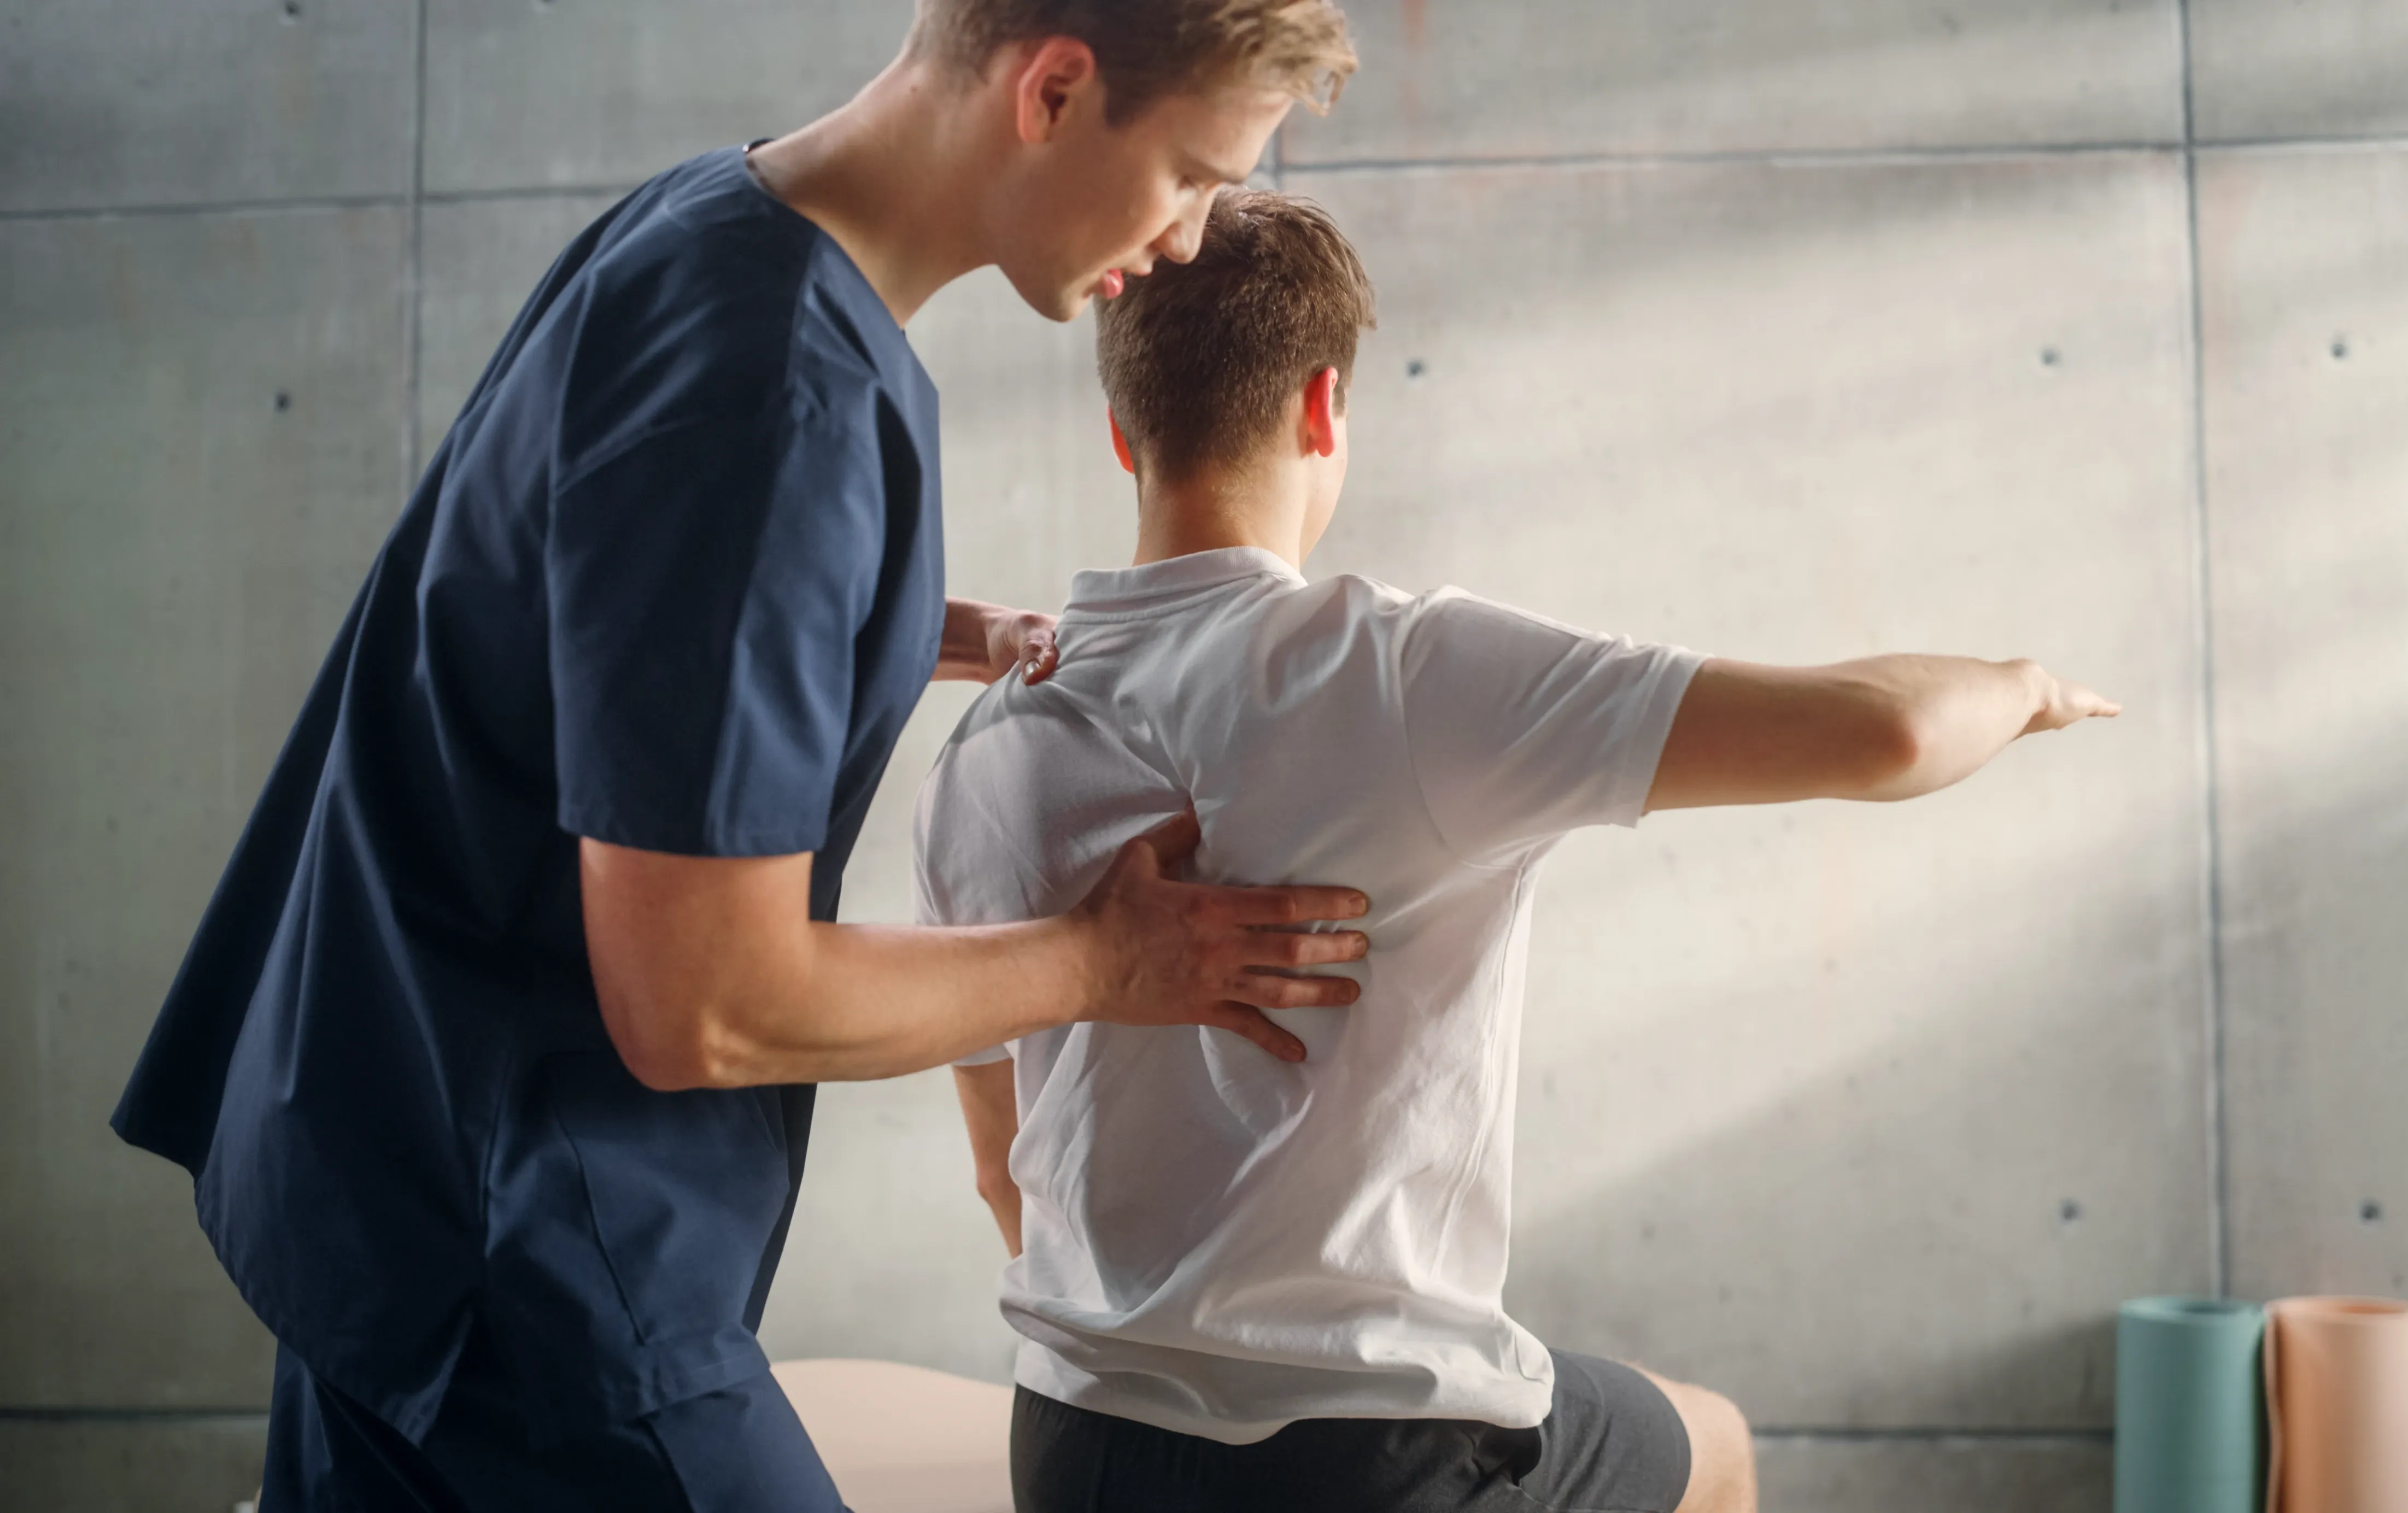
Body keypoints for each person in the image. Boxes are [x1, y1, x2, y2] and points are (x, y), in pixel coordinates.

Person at [107, 5, 1368, 1509]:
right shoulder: (782, 390)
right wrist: (1111, 964)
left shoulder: (710, 222)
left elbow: (580, 600)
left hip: (372, 1167)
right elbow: (704, 1006)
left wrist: (900, 627)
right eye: (1188, 173)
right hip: (523, 1275)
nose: (1185, 238)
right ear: (1053, 89)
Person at [923, 190, 2122, 1513]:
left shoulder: (990, 738)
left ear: (1121, 431)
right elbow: (1891, 732)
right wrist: (2026, 683)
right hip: (1361, 1454)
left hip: (1077, 1442)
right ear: (1324, 407)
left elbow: (1003, 1168)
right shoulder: (1397, 671)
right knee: (1709, 1446)